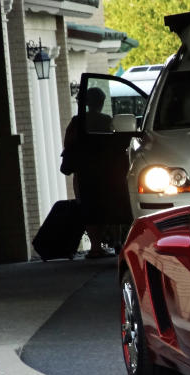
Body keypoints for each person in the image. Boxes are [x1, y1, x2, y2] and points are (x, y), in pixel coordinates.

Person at [62, 87, 114, 258]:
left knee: (87, 206)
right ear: (100, 103)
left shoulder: (77, 121)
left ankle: (95, 246)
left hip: (83, 171)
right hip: (104, 171)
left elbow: (68, 144)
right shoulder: (106, 120)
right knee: (104, 205)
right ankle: (99, 246)